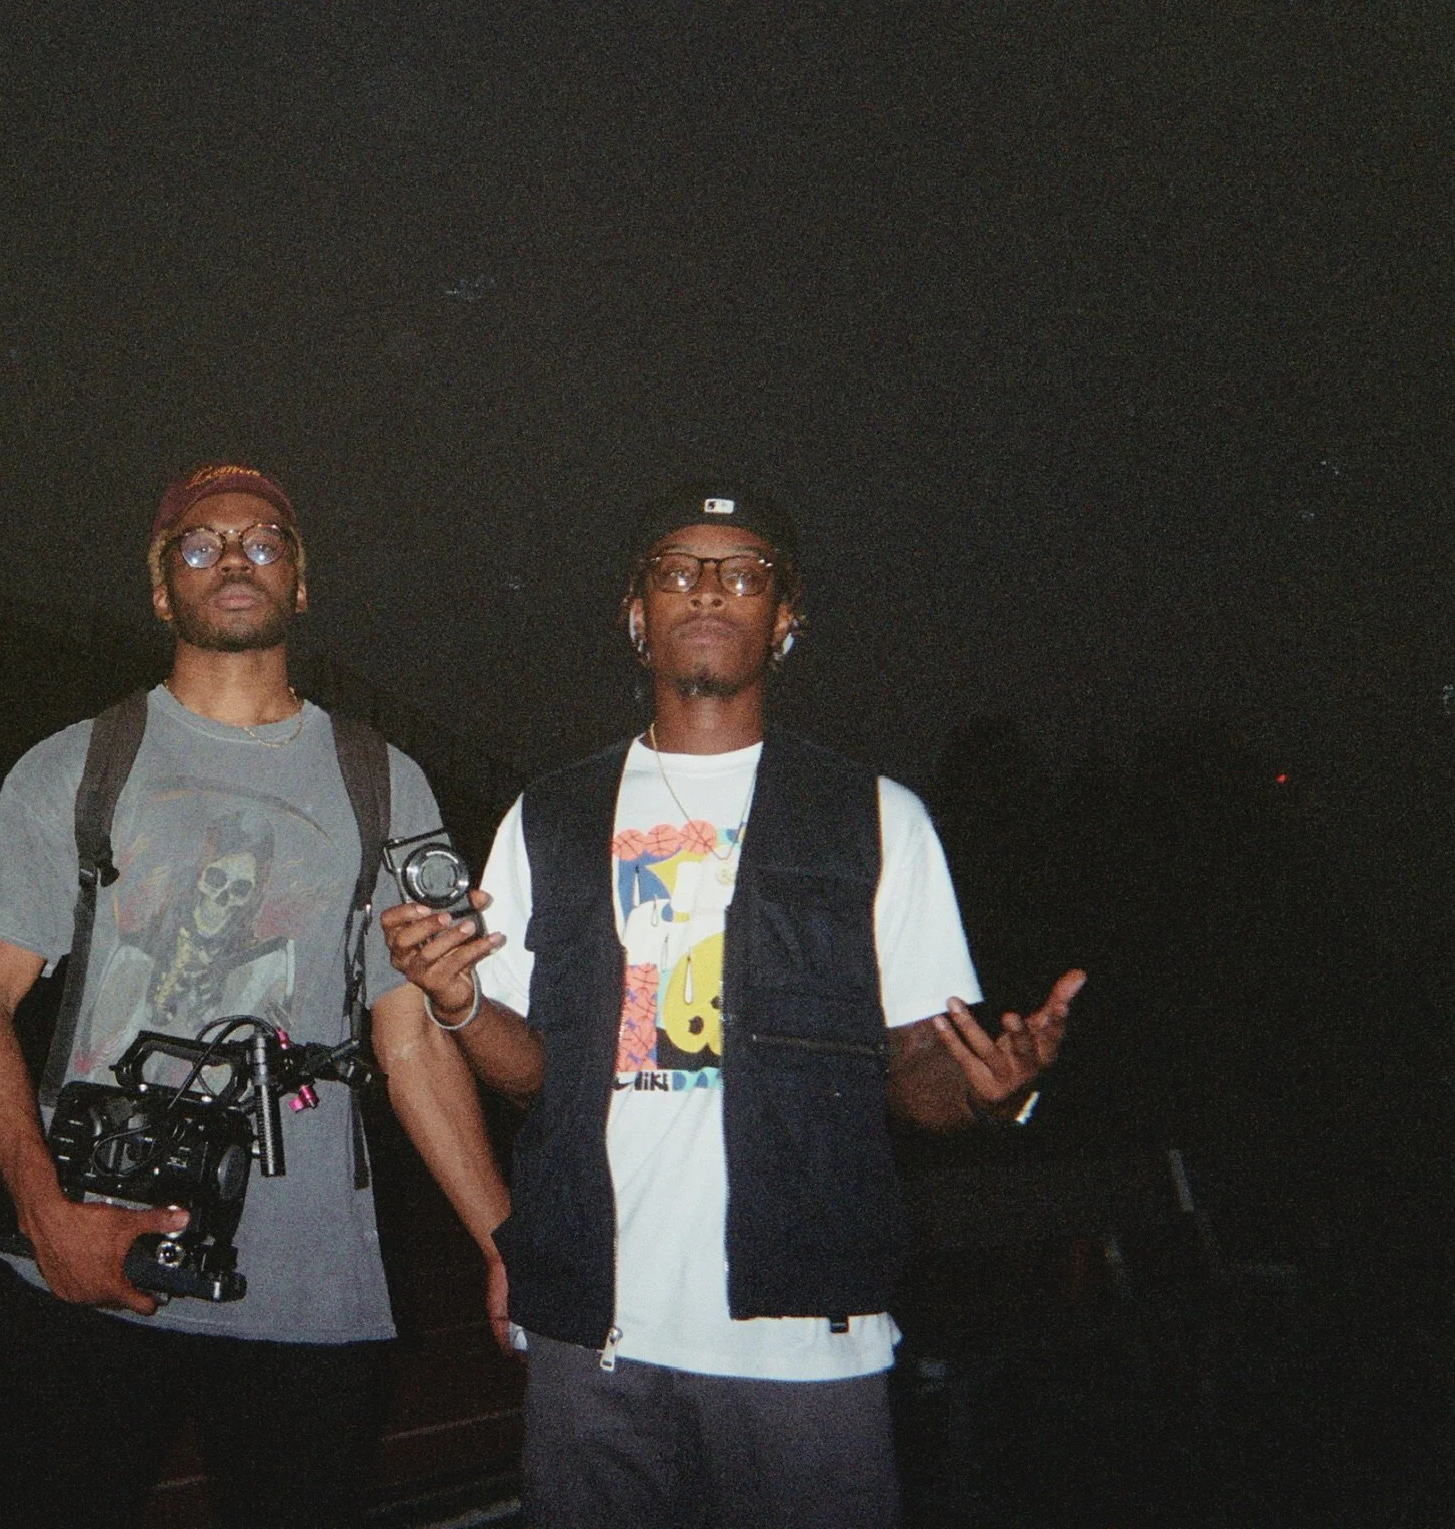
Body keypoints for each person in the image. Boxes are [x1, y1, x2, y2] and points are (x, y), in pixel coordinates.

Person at [375, 483, 1084, 1528]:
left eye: (742, 571)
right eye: (677, 569)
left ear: (783, 619)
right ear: (635, 614)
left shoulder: (873, 817)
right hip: (593, 1345)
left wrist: (989, 1089)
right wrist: (454, 1004)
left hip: (802, 1347)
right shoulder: (549, 816)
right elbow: (536, 1074)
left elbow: (920, 1079)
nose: (707, 588)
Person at [0, 462, 445, 1529]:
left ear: (300, 586)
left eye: (262, 542)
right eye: (200, 542)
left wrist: (501, 1240)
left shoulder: (384, 781)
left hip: (306, 1290)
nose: (232, 557)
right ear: (161, 589)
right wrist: (44, 1216)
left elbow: (414, 1045)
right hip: (82, 1258)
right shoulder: (72, 767)